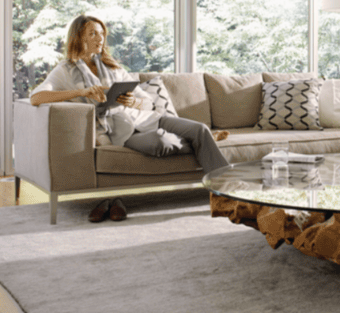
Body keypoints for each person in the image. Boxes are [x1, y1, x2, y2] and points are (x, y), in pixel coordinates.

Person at [30, 14, 230, 222]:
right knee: (163, 142)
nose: (100, 39)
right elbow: (37, 97)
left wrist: (133, 101)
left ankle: (227, 192)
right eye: (92, 34)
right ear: (78, 38)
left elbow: (147, 101)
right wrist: (83, 93)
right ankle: (205, 142)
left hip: (147, 119)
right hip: (121, 132)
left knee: (199, 129)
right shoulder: (65, 70)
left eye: (101, 34)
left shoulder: (113, 67)